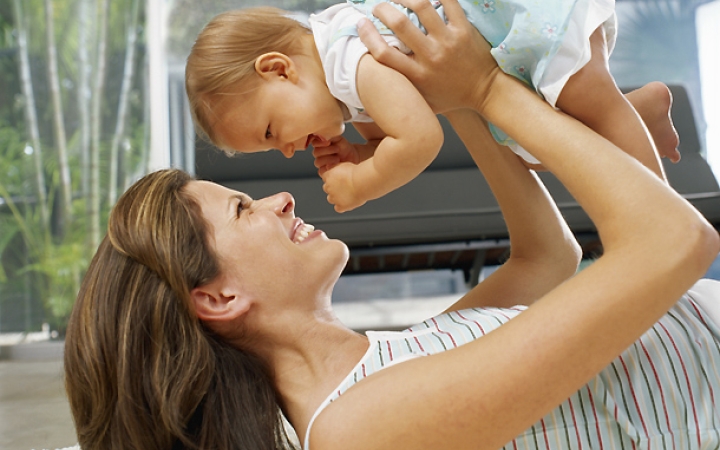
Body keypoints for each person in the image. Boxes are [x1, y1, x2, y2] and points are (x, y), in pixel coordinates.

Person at [64, 0, 720, 448]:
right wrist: (488, 89)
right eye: (243, 209)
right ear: (217, 296)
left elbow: (544, 259)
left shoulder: (381, 362)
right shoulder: (358, 428)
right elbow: (676, 242)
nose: (282, 200)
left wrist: (441, 83)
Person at [185, 0, 680, 212]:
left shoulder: (348, 59)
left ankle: (660, 216)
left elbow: (420, 138)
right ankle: (642, 112)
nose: (289, 150)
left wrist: (363, 183)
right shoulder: (342, 87)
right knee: (538, 151)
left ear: (278, 69)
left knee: (585, 91)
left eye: (272, 131)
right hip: (500, 54)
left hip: (520, 19)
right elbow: (390, 130)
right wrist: (362, 153)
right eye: (274, 149)